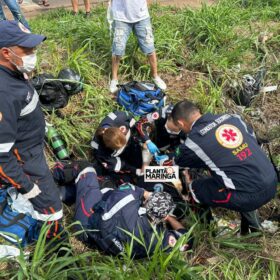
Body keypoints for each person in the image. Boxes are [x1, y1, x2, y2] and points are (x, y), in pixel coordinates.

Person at [170, 100, 278, 234]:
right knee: (231, 174)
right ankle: (251, 228)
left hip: (250, 196)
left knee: (195, 188)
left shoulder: (194, 141)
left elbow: (177, 160)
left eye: (179, 127)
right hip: (272, 181)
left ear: (180, 123)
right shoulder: (233, 118)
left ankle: (206, 229)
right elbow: (252, 140)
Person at [0, 21, 63, 239]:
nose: (33, 54)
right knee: (52, 209)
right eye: (27, 50)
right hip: (25, 159)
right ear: (6, 53)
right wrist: (27, 186)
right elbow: (1, 155)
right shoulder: (3, 94)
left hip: (31, 146)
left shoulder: (13, 71)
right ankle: (55, 246)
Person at [53, 162, 191, 258]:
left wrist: (145, 193)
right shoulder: (159, 240)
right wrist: (168, 217)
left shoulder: (129, 200)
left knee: (88, 170)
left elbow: (127, 189)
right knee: (106, 186)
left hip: (88, 224)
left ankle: (51, 182)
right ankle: (68, 192)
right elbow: (184, 239)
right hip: (102, 241)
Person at [109, 0, 166, 93]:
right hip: (120, 16)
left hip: (142, 16)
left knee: (149, 48)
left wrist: (145, 6)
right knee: (117, 50)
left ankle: (155, 76)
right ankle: (114, 79)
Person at [91, 111, 160, 178]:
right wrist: (135, 170)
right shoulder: (99, 148)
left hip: (131, 139)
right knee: (141, 175)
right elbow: (114, 164)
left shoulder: (119, 117)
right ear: (108, 147)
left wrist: (146, 140)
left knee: (160, 171)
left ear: (122, 129)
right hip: (122, 157)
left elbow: (137, 125)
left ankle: (164, 174)